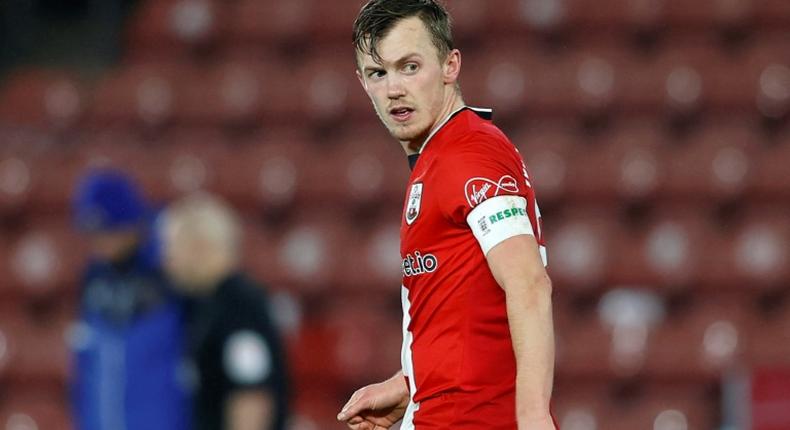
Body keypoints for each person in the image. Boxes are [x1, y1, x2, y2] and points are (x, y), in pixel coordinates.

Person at [338, 1, 557, 429]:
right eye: (378, 73)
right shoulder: (438, 157)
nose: (394, 88)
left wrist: (533, 417)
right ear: (362, 83)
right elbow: (471, 310)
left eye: (410, 66)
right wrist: (411, 385)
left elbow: (528, 283)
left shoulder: (470, 153)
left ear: (450, 65)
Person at [70, 169, 190, 430]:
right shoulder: (95, 277)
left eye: (107, 231)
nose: (98, 243)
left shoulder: (168, 272)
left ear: (131, 225)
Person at [161, 193, 289, 430]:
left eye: (172, 245)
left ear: (199, 246)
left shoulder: (239, 304)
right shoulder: (203, 302)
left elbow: (251, 395)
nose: (167, 259)